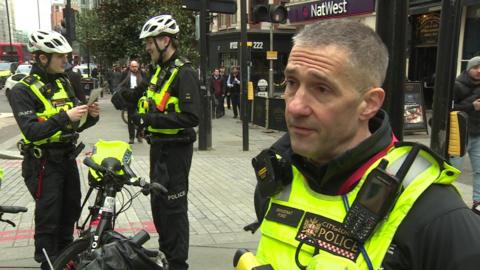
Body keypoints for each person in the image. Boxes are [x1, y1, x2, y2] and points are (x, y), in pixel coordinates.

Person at [250, 20, 480, 270]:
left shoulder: (436, 215)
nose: (295, 106)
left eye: (322, 89)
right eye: (292, 83)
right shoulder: (277, 179)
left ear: (370, 103)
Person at [7, 30, 100, 270]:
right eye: (59, 56)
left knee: (70, 210)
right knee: (49, 217)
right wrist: (64, 116)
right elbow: (31, 131)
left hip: (67, 159)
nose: (65, 61)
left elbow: (75, 123)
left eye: (65, 56)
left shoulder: (63, 82)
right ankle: (48, 264)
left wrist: (90, 118)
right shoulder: (22, 90)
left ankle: (66, 260)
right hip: (42, 164)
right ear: (42, 58)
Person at [121, 14, 200, 270]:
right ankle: (167, 254)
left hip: (177, 151)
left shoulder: (184, 72)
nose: (147, 47)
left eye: (150, 42)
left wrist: (151, 118)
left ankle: (178, 263)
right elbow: (141, 93)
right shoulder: (159, 71)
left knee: (174, 208)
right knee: (159, 204)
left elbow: (191, 116)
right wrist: (124, 99)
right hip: (159, 148)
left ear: (165, 40)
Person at [451, 56, 480, 214]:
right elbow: (448, 107)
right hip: (460, 134)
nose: (479, 70)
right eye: (476, 67)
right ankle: (451, 203)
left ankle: (478, 203)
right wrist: (472, 106)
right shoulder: (456, 85)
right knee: (453, 170)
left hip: (478, 134)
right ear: (468, 68)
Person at [118, 60, 147, 144]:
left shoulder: (142, 74)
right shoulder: (125, 74)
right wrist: (125, 93)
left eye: (136, 66)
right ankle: (131, 137)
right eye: (132, 66)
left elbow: (146, 84)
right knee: (131, 119)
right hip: (130, 97)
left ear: (138, 67)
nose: (134, 68)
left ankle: (139, 135)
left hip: (140, 97)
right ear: (130, 67)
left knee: (141, 117)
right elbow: (121, 85)